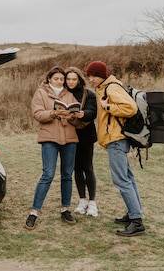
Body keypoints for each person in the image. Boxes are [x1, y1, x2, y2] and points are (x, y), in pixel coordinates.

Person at [85, 61, 145, 237]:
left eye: (94, 75)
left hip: (116, 139)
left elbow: (131, 108)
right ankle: (133, 213)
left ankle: (137, 222)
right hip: (115, 139)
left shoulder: (111, 88)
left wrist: (108, 107)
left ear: (102, 75)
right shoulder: (106, 86)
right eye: (89, 75)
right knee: (128, 178)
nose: (91, 79)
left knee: (121, 180)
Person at [25, 66, 79, 231]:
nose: (60, 81)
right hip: (49, 138)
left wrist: (73, 116)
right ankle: (34, 212)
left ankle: (65, 209)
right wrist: (53, 114)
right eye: (56, 78)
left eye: (62, 79)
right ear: (49, 79)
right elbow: (37, 114)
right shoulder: (41, 93)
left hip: (69, 138)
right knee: (48, 174)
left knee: (67, 174)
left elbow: (76, 120)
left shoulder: (69, 95)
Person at [65, 67, 99, 217]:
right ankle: (82, 200)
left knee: (88, 167)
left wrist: (82, 113)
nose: (71, 82)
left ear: (79, 80)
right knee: (76, 169)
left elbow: (93, 112)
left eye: (74, 79)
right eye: (68, 79)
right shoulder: (63, 94)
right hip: (69, 135)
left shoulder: (89, 94)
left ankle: (92, 202)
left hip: (86, 136)